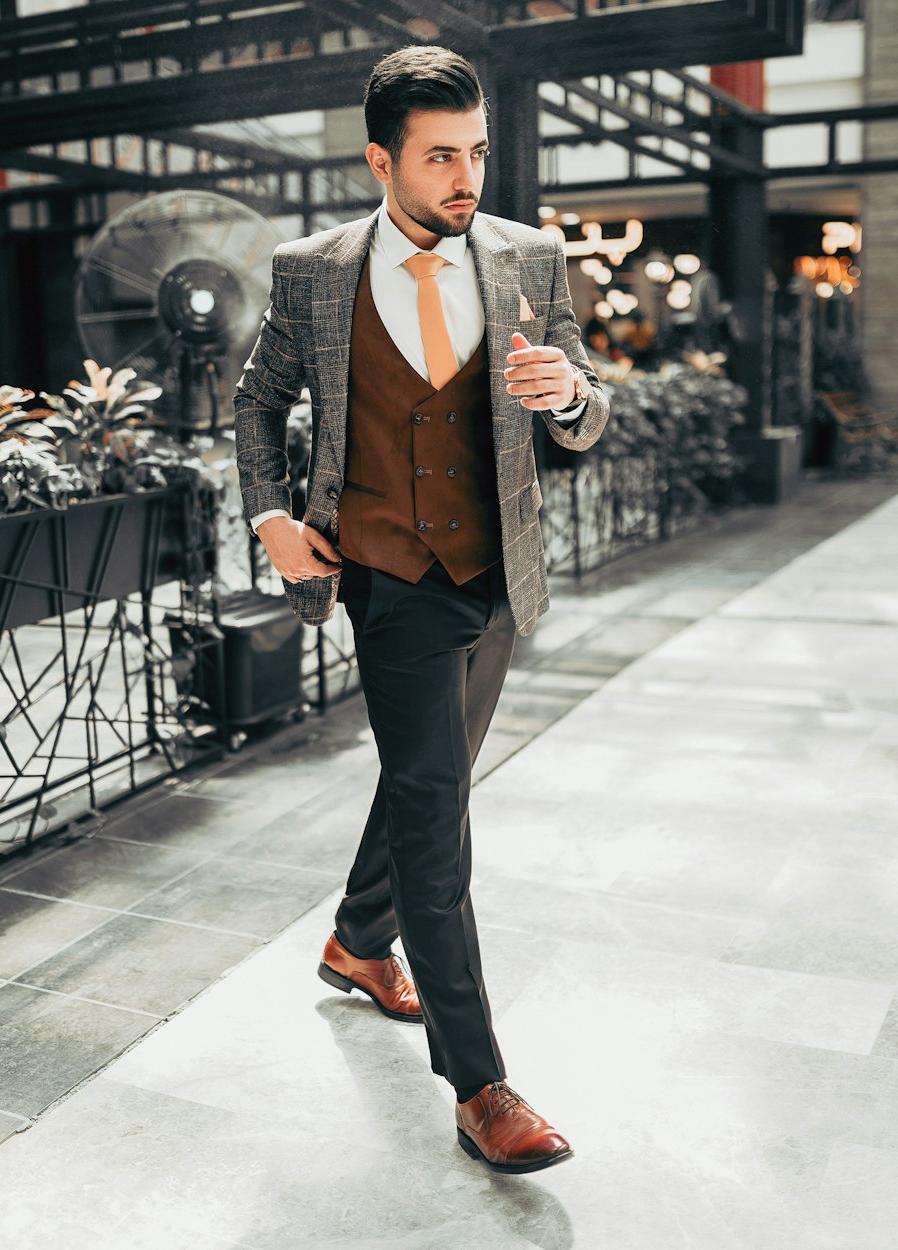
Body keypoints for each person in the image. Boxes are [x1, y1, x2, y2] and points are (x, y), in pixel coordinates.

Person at [234, 45, 609, 1175]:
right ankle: (480, 1081)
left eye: (477, 150)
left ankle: (356, 939)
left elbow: (587, 407)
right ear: (378, 160)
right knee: (439, 820)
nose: (467, 176)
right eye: (440, 155)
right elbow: (258, 403)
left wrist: (572, 396)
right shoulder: (312, 271)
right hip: (389, 577)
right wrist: (270, 519)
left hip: (492, 575)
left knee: (422, 775)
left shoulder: (530, 257)